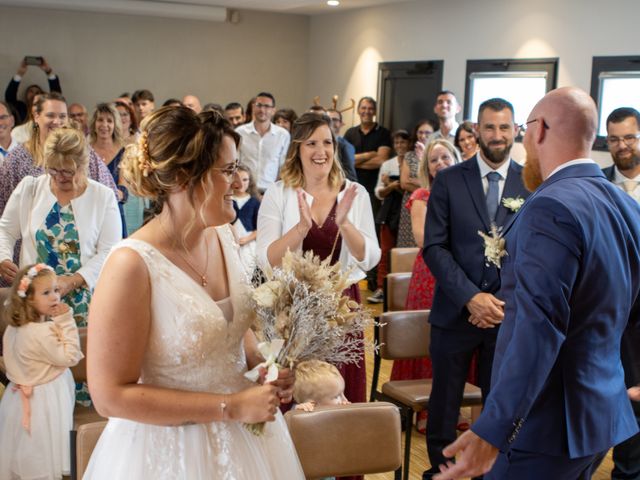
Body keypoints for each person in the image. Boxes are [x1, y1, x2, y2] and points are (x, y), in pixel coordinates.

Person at [83, 107, 304, 479]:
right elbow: (109, 396)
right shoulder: (131, 265)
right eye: (228, 170)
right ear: (186, 176)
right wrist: (230, 407)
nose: (238, 183)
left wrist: (263, 365)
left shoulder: (223, 235)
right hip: (169, 452)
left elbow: (235, 331)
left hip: (248, 441)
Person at [435, 87, 640, 479]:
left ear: (540, 128)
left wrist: (494, 430)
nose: (522, 141)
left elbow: (537, 327)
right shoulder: (625, 204)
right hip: (601, 414)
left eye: (524, 128)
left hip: (546, 421)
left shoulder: (550, 206)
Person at [422, 98, 530, 479]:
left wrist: (500, 302)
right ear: (475, 131)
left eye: (504, 127)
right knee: (444, 405)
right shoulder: (451, 179)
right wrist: (471, 296)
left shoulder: (531, 181)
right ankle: (441, 470)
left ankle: (491, 471)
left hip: (506, 316)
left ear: (516, 130)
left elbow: (535, 254)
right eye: (489, 127)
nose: (497, 135)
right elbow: (434, 246)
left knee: (500, 402)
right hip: (455, 311)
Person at [256, 112, 380, 407]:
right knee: (295, 392)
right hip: (293, 308)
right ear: (297, 149)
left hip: (342, 307)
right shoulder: (279, 192)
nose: (320, 151)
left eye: (327, 143)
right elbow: (266, 258)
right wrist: (300, 229)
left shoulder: (355, 192)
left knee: (338, 391)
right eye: (311, 143)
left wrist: (346, 224)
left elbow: (370, 258)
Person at [0, 127, 122, 326]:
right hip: (34, 303)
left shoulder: (103, 197)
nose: (59, 177)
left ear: (84, 165)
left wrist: (73, 280)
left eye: (68, 171)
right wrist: (3, 257)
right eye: (53, 170)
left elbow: (110, 251)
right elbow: (5, 230)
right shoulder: (30, 188)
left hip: (82, 301)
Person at [390, 139, 460, 431]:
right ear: (427, 167)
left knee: (458, 341)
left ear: (456, 159)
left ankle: (454, 409)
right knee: (431, 339)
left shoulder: (467, 194)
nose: (440, 163)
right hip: (430, 274)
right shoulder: (421, 195)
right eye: (434, 159)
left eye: (445, 157)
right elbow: (421, 239)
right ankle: (424, 410)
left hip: (460, 273)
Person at [0, 263, 83, 480]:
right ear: (28, 298)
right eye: (46, 292)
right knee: (43, 450)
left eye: (56, 289)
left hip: (17, 398)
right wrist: (66, 321)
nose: (55, 296)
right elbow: (71, 356)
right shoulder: (42, 333)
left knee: (28, 450)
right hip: (45, 401)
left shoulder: (14, 328)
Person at [0, 93, 117, 217]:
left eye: (62, 116)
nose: (57, 121)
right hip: (31, 233)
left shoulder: (83, 151)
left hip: (82, 230)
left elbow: (110, 195)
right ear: (36, 116)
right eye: (50, 115)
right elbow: (3, 207)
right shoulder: (16, 158)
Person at [603, 107, 640, 479]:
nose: (622, 146)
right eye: (614, 139)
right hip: (608, 310)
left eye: (629, 137)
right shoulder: (596, 183)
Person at [367, 129, 409, 304]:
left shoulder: (414, 162)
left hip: (407, 212)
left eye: (403, 142)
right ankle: (381, 289)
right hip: (389, 211)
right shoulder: (388, 164)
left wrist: (392, 184)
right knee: (385, 252)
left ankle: (402, 291)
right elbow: (378, 192)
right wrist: (390, 187)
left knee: (405, 253)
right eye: (397, 142)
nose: (400, 145)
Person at [343, 96, 392, 216]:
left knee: (370, 225)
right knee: (350, 222)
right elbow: (344, 161)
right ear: (358, 110)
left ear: (375, 111)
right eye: (363, 108)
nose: (367, 111)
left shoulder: (383, 133)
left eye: (370, 108)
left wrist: (354, 161)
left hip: (373, 189)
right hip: (351, 187)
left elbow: (381, 161)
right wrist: (370, 154)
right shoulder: (350, 133)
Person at [236, 92, 290, 194]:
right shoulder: (240, 132)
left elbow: (283, 167)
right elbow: (236, 163)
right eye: (259, 105)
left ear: (273, 110)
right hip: (245, 191)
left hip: (271, 192)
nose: (262, 110)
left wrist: (273, 192)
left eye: (267, 106)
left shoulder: (283, 135)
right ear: (253, 107)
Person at [89, 103, 128, 237]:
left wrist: (113, 194)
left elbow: (123, 189)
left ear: (115, 125)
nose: (104, 125)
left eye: (109, 121)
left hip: (115, 211)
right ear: (94, 123)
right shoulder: (85, 150)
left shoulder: (124, 152)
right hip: (90, 213)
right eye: (100, 120)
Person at [397, 120, 436, 248]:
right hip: (411, 202)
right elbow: (404, 183)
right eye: (420, 132)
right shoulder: (409, 155)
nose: (423, 136)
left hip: (432, 204)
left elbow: (438, 184)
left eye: (427, 133)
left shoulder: (436, 155)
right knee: (408, 242)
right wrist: (426, 186)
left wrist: (418, 182)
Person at [4, 57, 62, 124]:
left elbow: (57, 97)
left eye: (37, 92)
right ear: (26, 95)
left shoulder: (47, 108)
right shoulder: (20, 108)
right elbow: (9, 96)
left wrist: (48, 71)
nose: (34, 94)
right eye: (31, 91)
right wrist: (20, 74)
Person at [231, 165, 261, 277]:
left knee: (247, 271)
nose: (241, 183)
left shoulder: (254, 202)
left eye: (245, 180)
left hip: (248, 244)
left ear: (250, 181)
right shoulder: (227, 200)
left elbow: (259, 228)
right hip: (229, 242)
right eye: (237, 179)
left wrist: (247, 239)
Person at [327, 108, 357, 182]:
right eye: (328, 119)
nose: (331, 122)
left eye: (334, 119)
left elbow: (351, 177)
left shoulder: (346, 146)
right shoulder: (320, 143)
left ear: (341, 123)